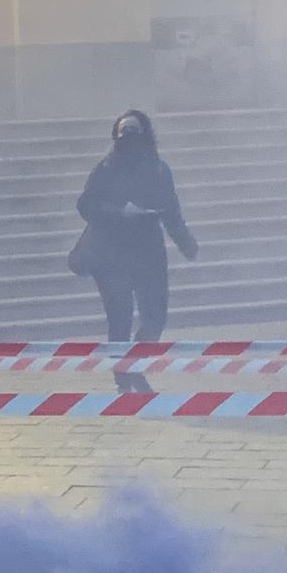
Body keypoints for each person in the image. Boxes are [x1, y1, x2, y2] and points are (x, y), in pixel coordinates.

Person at [75, 109, 199, 392]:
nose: (129, 136)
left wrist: (186, 242)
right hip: (111, 255)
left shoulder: (158, 170)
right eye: (123, 131)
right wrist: (118, 212)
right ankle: (123, 376)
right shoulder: (105, 169)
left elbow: (171, 211)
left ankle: (137, 366)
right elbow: (86, 205)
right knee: (119, 316)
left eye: (134, 130)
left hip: (148, 253)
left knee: (155, 316)